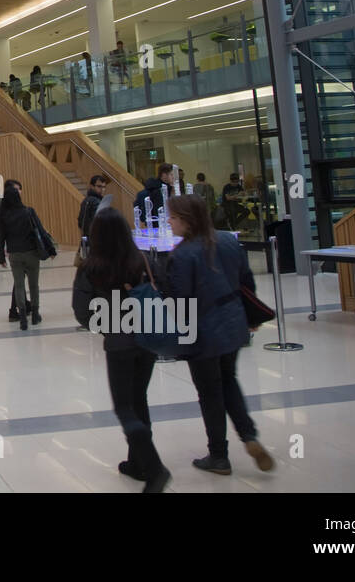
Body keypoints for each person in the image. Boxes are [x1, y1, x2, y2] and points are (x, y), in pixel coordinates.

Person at [165, 195, 274, 476]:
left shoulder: (181, 255)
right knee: (229, 381)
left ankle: (218, 456)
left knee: (209, 392)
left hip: (202, 332)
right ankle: (249, 436)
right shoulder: (227, 241)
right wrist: (250, 319)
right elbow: (246, 281)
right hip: (233, 322)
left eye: (173, 217)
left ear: (187, 220)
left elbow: (179, 301)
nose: (169, 222)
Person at [72, 207, 170, 492]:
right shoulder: (143, 260)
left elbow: (81, 311)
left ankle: (154, 468)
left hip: (119, 343)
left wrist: (105, 325)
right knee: (139, 398)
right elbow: (163, 290)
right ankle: (136, 463)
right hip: (148, 339)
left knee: (124, 407)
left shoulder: (92, 268)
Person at [0, 186, 44, 331]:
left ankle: (23, 318)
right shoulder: (28, 211)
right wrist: (50, 249)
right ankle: (35, 315)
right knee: (34, 285)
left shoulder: (4, 216)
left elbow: (0, 238)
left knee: (19, 286)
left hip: (14, 254)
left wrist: (1, 257)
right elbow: (40, 230)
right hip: (31, 253)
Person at [77, 175, 108, 252]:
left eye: (104, 187)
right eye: (99, 186)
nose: (102, 189)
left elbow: (80, 222)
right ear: (92, 186)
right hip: (97, 239)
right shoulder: (96, 202)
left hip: (87, 238)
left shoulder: (86, 200)